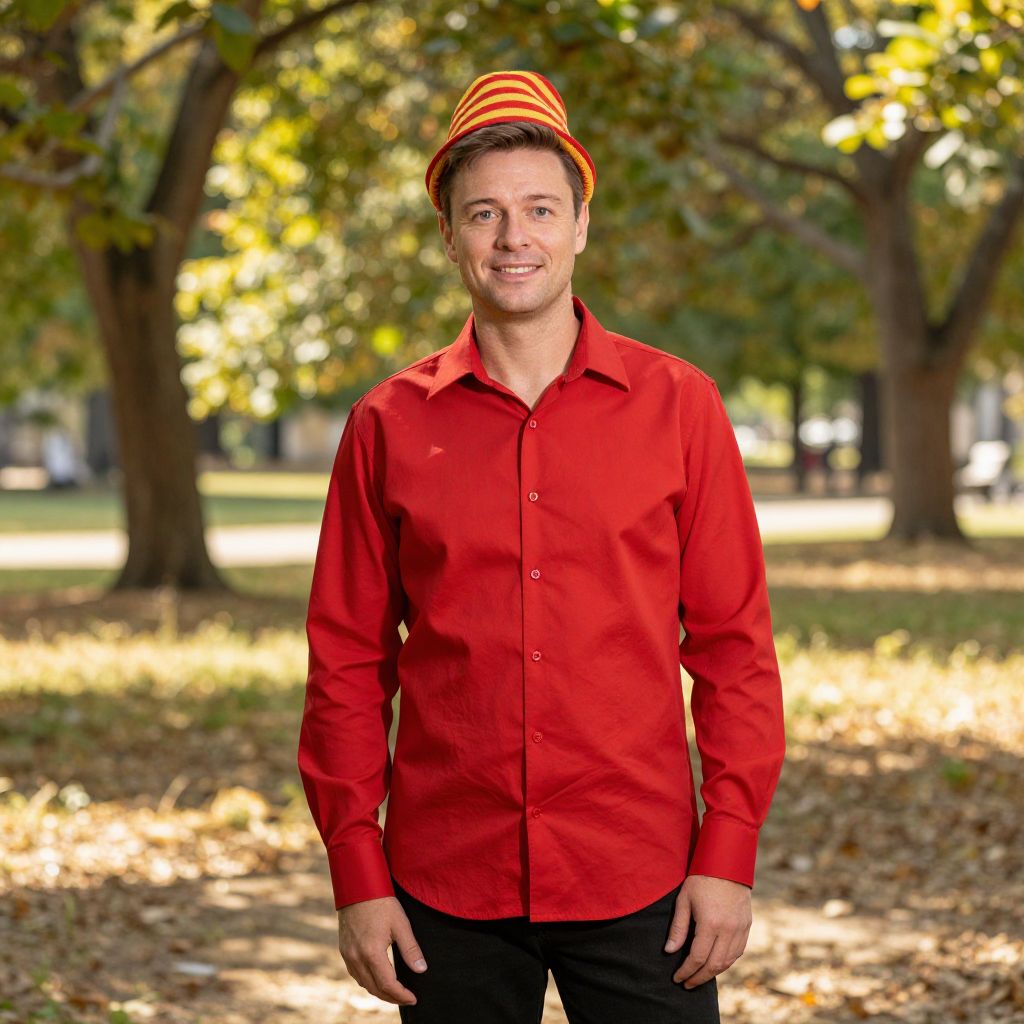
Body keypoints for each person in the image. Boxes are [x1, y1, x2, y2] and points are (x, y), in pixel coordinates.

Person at [298, 69, 786, 1023]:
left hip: (643, 876)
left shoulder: (681, 407)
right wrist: (357, 871)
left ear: (580, 225)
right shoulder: (386, 425)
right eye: (483, 214)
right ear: (449, 235)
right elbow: (347, 665)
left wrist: (727, 855)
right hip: (443, 886)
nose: (513, 238)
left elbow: (735, 651)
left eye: (538, 209)